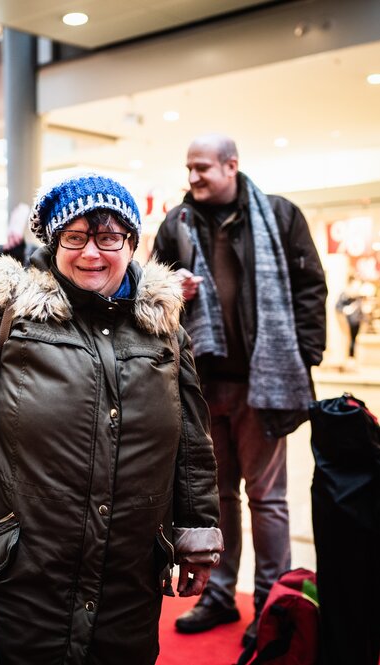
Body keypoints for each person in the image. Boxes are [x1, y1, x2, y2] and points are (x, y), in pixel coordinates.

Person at [0, 173, 223, 665]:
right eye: (74, 238)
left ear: (131, 242)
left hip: (128, 574)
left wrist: (196, 533)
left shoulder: (163, 326)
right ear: (54, 244)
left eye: (108, 237)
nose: (91, 253)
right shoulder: (4, 312)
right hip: (20, 569)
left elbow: (191, 441)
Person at [153, 134, 327, 645]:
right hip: (201, 384)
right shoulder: (175, 224)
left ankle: (272, 603)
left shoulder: (279, 215)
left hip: (265, 384)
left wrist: (305, 355)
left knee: (267, 500)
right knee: (217, 497)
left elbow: (310, 287)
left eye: (203, 167)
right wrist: (168, 289)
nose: (193, 177)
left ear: (232, 165)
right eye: (188, 168)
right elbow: (148, 293)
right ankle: (219, 595)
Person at [335, 275, 363, 362]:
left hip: (356, 322)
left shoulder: (358, 296)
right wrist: (345, 310)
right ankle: (345, 360)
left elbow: (360, 310)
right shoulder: (344, 295)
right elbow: (338, 307)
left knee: (353, 342)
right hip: (346, 323)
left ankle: (351, 359)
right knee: (346, 341)